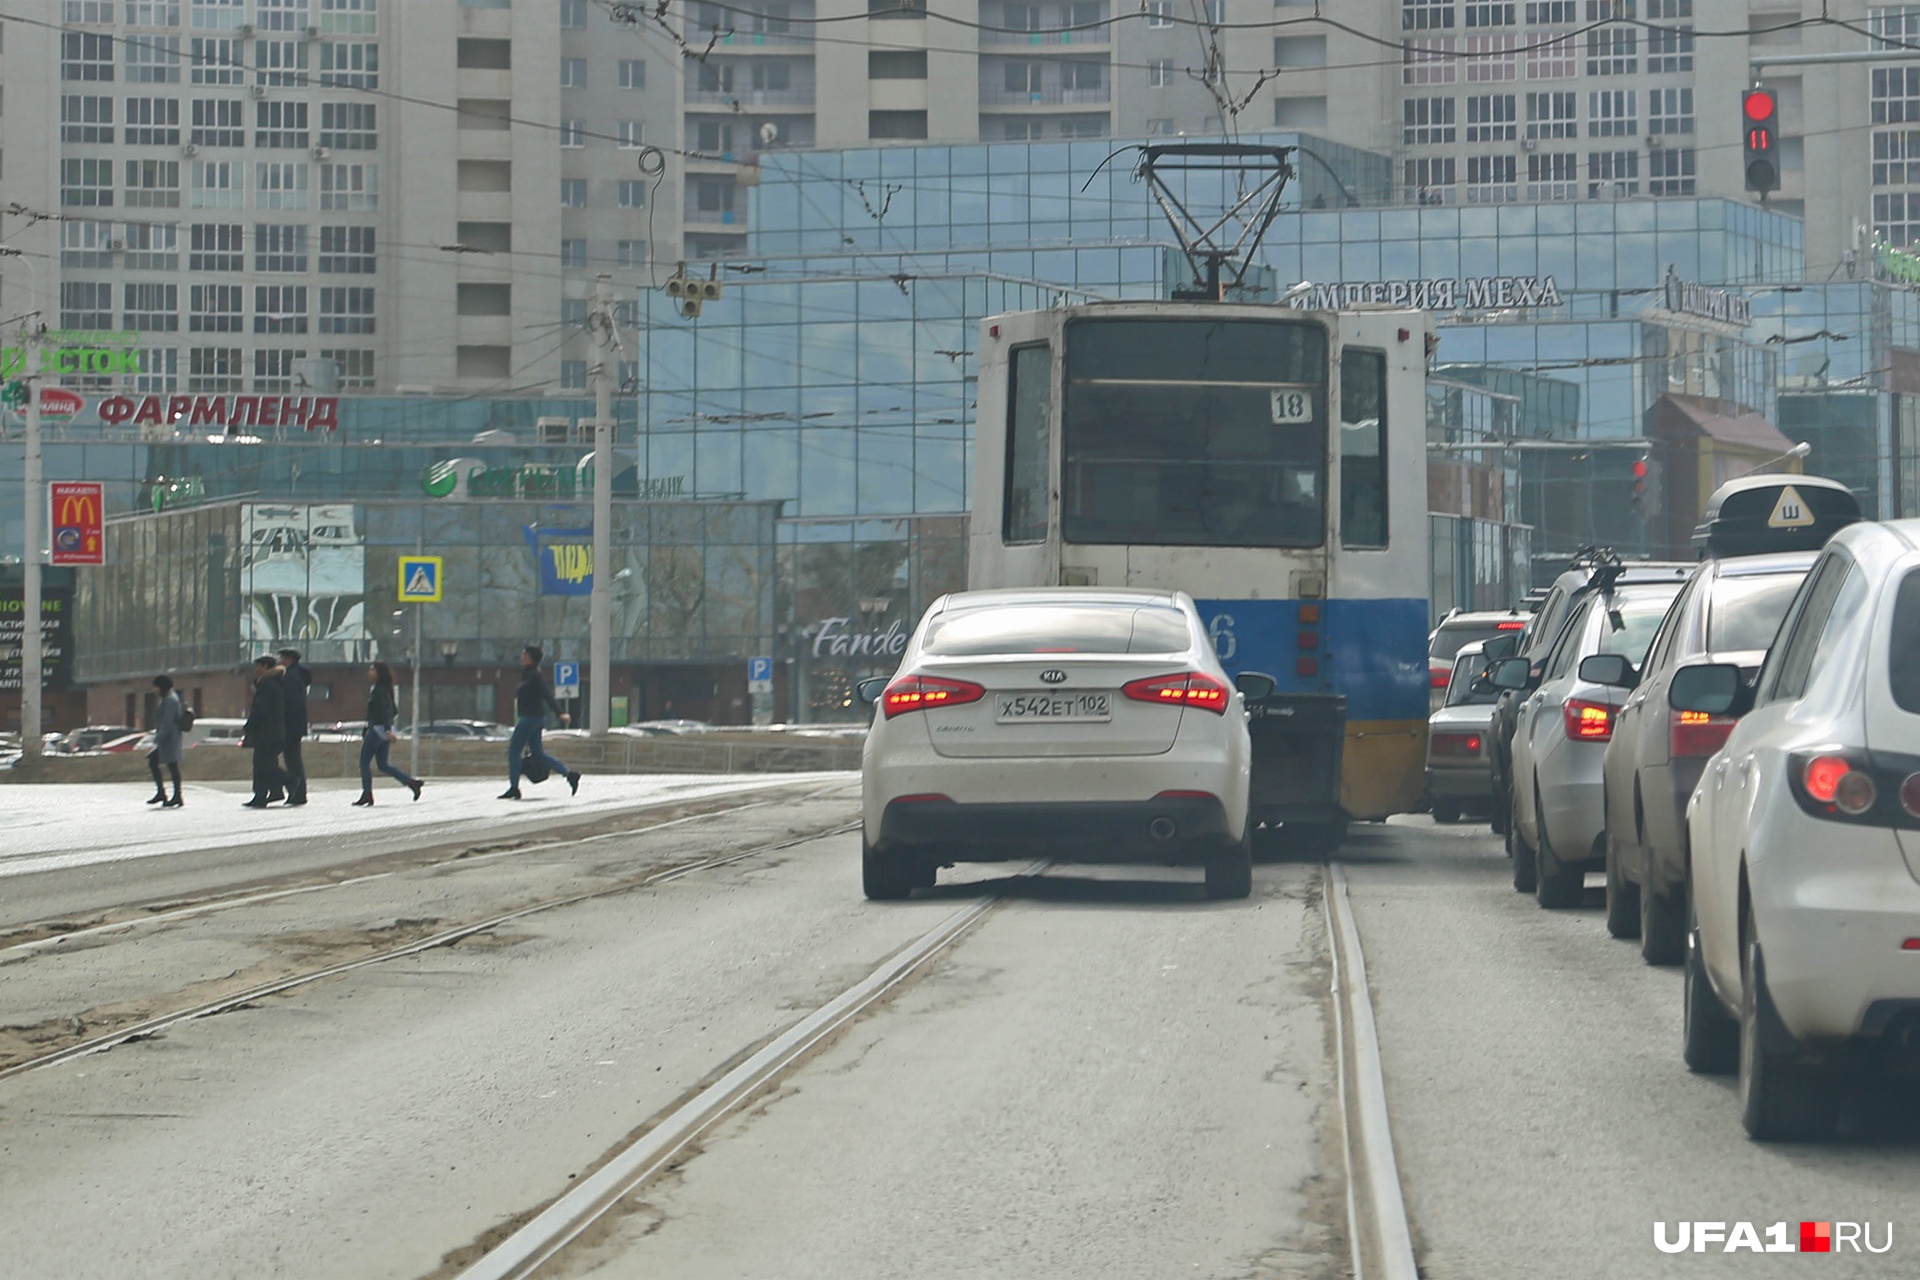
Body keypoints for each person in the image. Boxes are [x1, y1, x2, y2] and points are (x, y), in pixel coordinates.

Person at [502, 644, 580, 801]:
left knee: (514, 751)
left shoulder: (535, 676)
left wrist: (560, 713)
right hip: (534, 718)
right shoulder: (527, 674)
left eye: (524, 654)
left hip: (531, 718)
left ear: (531, 658)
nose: (522, 656)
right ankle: (570, 774)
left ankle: (514, 788)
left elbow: (547, 695)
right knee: (538, 753)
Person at [354, 661, 422, 806]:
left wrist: (386, 729)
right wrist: (387, 728)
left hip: (378, 730)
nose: (369, 672)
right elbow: (393, 710)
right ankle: (411, 783)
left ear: (379, 673)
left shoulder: (378, 690)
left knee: (364, 762)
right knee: (383, 764)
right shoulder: (386, 689)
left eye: (372, 670)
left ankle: (367, 794)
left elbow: (385, 711)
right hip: (383, 729)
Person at [242, 655, 287, 809]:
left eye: (259, 666)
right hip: (275, 731)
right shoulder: (276, 683)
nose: (257, 669)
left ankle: (285, 782)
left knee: (261, 764)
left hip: (266, 732)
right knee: (268, 762)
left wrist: (249, 725)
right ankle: (275, 791)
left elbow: (260, 709)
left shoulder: (267, 684)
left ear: (267, 667)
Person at [277, 647, 312, 806]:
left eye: (282, 658)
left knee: (292, 760)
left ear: (289, 660)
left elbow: (290, 702)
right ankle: (298, 792)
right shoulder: (299, 675)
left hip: (290, 725)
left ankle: (297, 792)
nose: (280, 661)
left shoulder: (291, 677)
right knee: (294, 759)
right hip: (297, 724)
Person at [146, 674, 184, 809]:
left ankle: (175, 795)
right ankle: (164, 793)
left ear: (162, 687)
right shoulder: (168, 698)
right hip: (167, 738)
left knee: (172, 766)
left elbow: (167, 722)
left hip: (169, 739)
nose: (155, 690)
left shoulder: (170, 700)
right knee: (158, 763)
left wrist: (158, 738)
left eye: (156, 687)